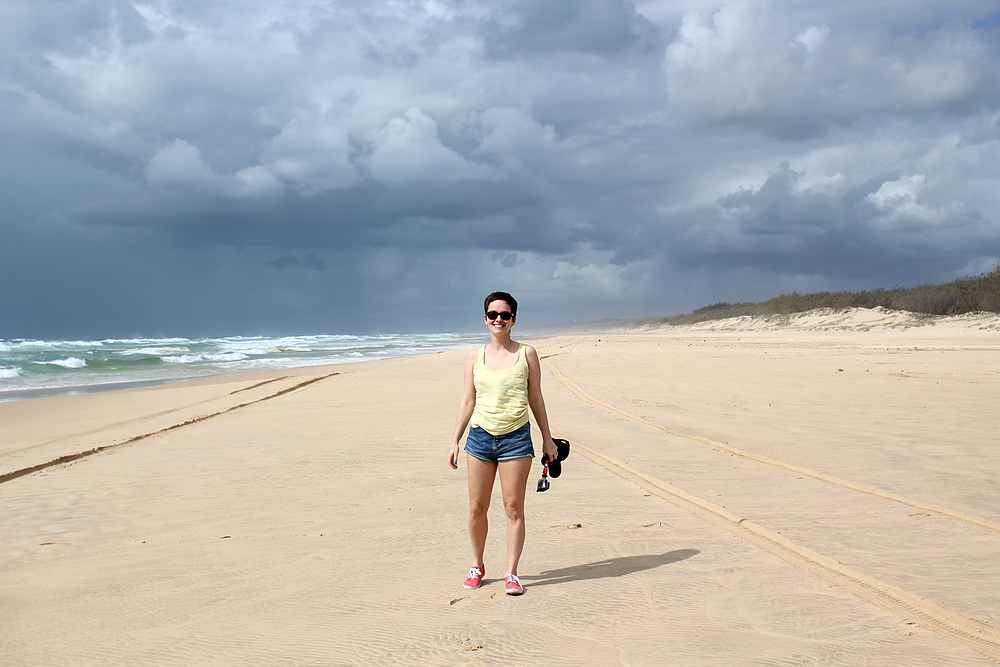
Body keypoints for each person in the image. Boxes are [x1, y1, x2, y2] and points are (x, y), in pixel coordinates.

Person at [448, 291, 558, 596]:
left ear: (513, 320)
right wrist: (455, 440)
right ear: (485, 319)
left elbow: (535, 397)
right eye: (493, 314)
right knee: (476, 508)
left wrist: (547, 438)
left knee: (513, 508)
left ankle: (512, 573)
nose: (499, 319)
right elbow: (468, 400)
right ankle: (477, 565)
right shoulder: (474, 357)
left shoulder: (527, 354)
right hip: (480, 439)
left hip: (516, 439)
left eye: (505, 315)